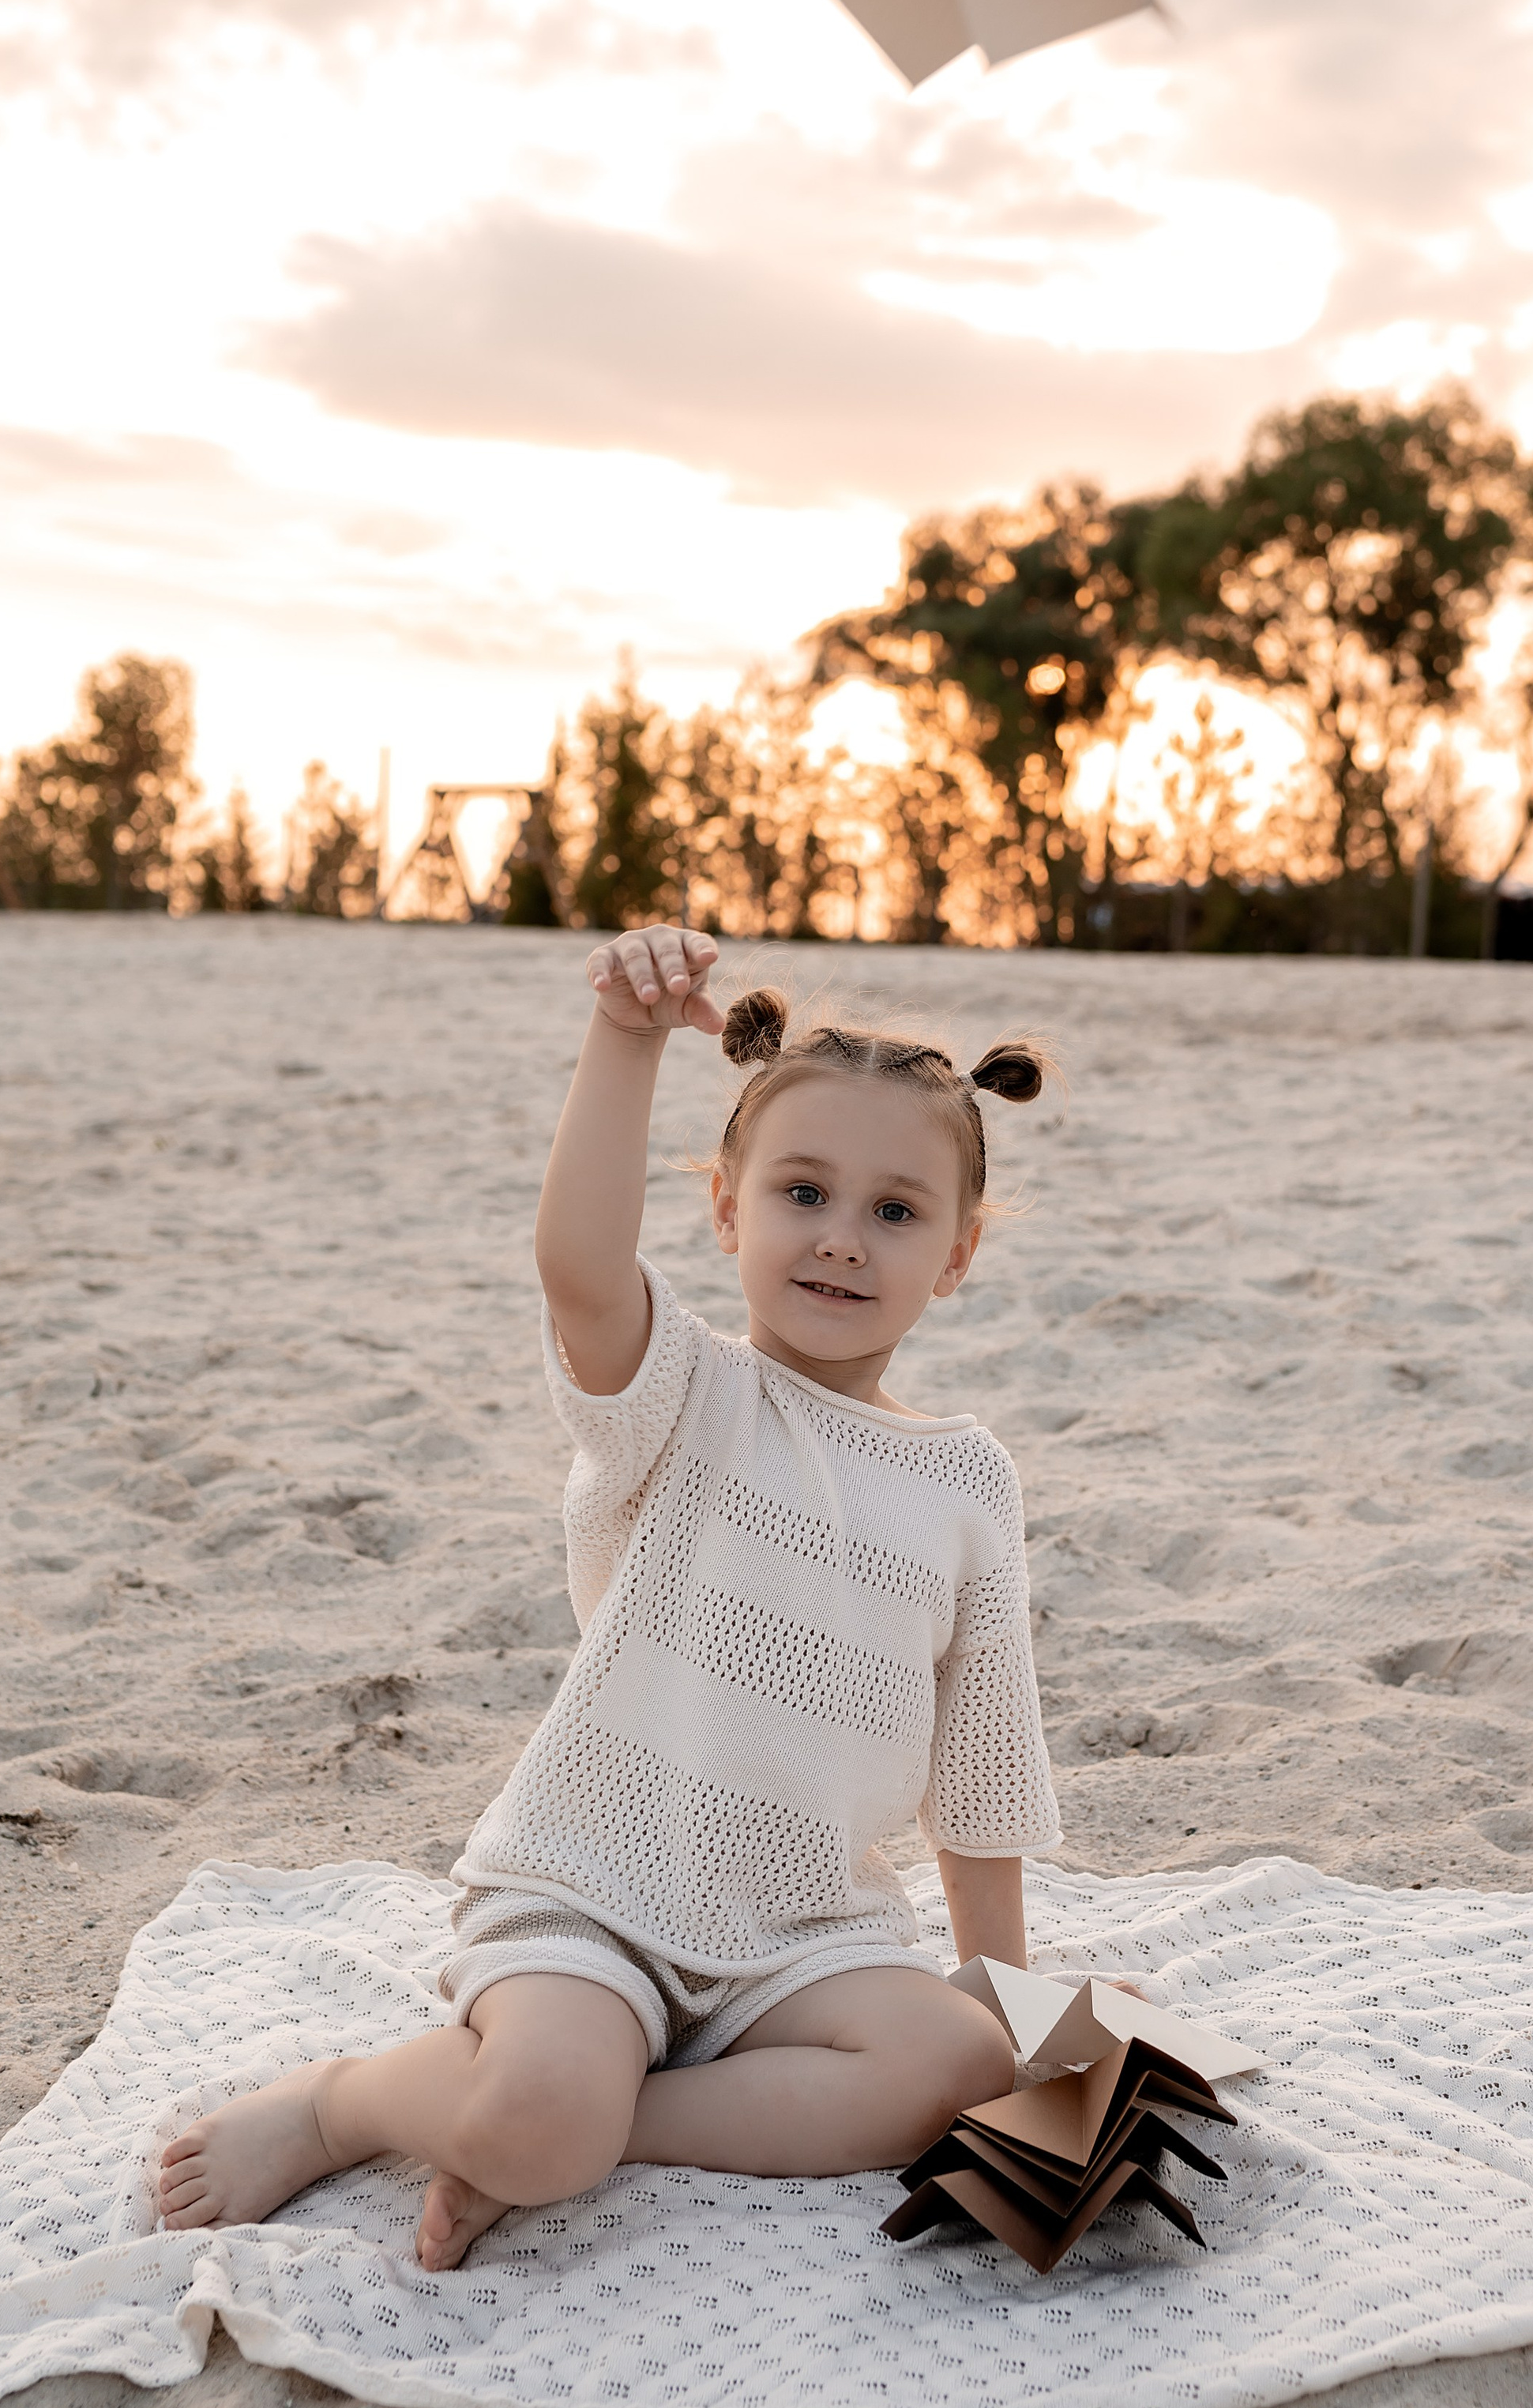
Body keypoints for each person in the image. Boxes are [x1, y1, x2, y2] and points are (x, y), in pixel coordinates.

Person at [158, 924, 1062, 2270]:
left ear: (958, 1251)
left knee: (954, 2062)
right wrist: (626, 1038)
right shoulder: (681, 1394)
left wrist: (1012, 1999)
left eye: (894, 1210)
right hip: (592, 1896)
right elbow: (580, 1264)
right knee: (535, 2118)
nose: (840, 1242)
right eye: (802, 1193)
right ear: (725, 1207)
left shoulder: (967, 1480)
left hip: (801, 1932)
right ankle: (341, 2103)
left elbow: (983, 1771)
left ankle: (607, 2122)